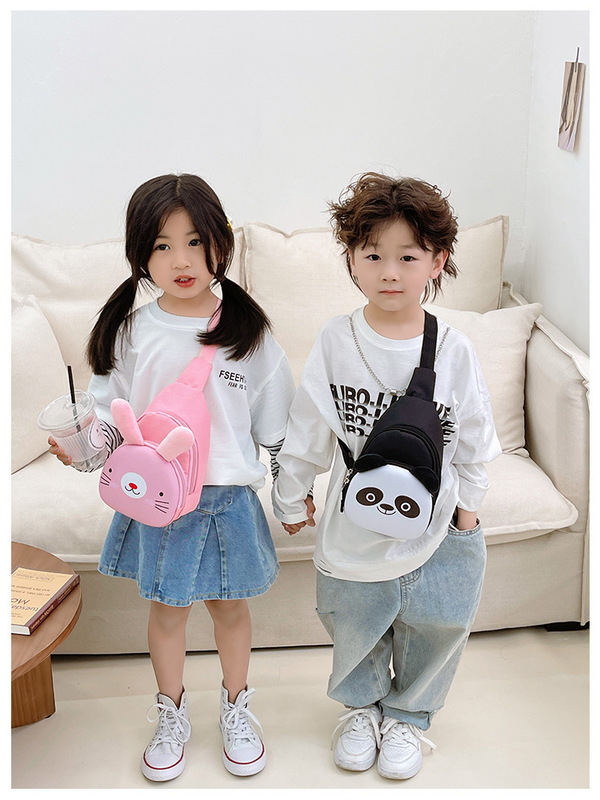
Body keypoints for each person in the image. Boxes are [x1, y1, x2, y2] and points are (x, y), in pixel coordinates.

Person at [48, 173, 298, 782]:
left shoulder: (250, 333)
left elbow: (278, 428)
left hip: (228, 499)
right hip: (158, 502)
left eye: (195, 242)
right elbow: (110, 420)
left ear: (220, 243)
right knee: (166, 614)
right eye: (162, 246)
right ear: (140, 253)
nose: (181, 261)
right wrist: (82, 448)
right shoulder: (133, 332)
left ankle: (237, 708)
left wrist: (293, 497)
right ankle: (171, 713)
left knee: (231, 611)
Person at [273, 172, 501, 780]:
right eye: (373, 255)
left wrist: (469, 514)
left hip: (436, 522)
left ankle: (408, 717)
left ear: (437, 261)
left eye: (408, 257)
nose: (390, 273)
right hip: (354, 521)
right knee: (353, 619)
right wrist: (291, 497)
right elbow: (309, 426)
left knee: (436, 623)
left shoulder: (453, 348)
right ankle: (360, 710)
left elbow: (474, 436)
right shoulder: (336, 339)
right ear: (351, 259)